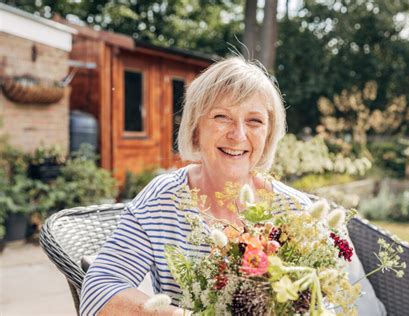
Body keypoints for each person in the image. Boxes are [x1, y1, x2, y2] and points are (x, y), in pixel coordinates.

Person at [79, 56, 312, 316]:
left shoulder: (295, 210)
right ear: (195, 129)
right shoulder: (164, 199)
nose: (238, 135)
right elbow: (99, 290)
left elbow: (328, 305)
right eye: (222, 117)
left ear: (268, 134)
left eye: (254, 121)